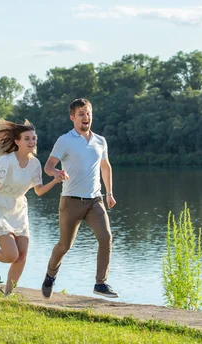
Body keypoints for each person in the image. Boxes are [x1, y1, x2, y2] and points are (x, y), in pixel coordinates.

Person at [0, 118, 62, 295]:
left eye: (34, 138)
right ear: (17, 142)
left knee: (22, 255)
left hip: (19, 209)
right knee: (11, 255)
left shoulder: (35, 164)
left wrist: (55, 180)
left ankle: (7, 295)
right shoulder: (5, 161)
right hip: (0, 208)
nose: (31, 142)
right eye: (27, 138)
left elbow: (39, 191)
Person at [41, 98, 118, 299]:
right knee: (64, 246)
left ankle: (100, 283)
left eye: (88, 113)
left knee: (106, 237)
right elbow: (48, 166)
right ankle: (50, 275)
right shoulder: (64, 140)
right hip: (70, 201)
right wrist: (56, 173)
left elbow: (105, 166)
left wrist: (109, 193)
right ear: (73, 118)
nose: (86, 117)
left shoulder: (100, 141)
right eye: (81, 114)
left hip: (95, 200)